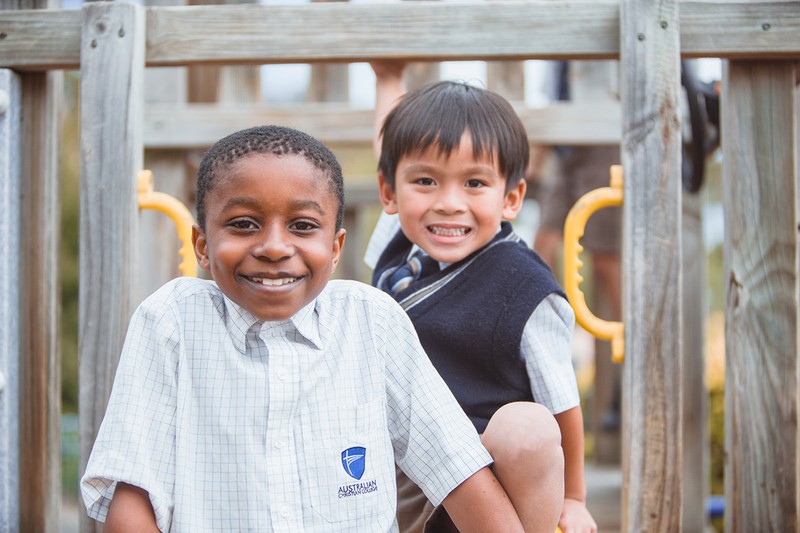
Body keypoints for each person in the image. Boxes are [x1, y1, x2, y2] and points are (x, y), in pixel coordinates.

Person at [80, 124, 527, 533]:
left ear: (334, 248)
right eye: (243, 224)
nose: (274, 247)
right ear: (202, 244)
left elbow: (458, 471)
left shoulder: (372, 321)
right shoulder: (170, 321)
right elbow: (131, 502)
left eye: (302, 226)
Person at [365, 63, 597, 533]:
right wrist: (388, 80)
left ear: (511, 198)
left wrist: (574, 497)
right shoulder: (401, 238)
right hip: (397, 470)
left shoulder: (526, 289)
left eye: (474, 183)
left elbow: (563, 402)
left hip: (486, 478)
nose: (448, 202)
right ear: (390, 193)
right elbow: (390, 150)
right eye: (426, 181)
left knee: (527, 427)